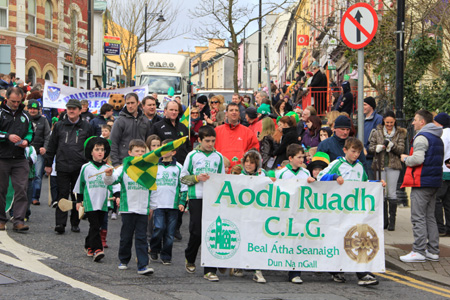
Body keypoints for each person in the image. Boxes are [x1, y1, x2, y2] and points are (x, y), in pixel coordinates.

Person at [318, 137, 382, 286]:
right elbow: (320, 176)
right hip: (338, 210)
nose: (356, 155)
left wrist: (376, 184)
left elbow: (364, 184)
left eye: (358, 152)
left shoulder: (360, 167)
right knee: (339, 238)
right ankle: (336, 270)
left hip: (354, 210)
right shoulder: (337, 164)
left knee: (358, 237)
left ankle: (362, 272)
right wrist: (334, 177)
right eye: (353, 151)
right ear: (345, 150)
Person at [181, 126, 225, 282]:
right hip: (196, 196)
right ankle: (190, 256)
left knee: (212, 232)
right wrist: (197, 178)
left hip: (213, 199)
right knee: (197, 231)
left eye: (213, 141)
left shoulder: (218, 157)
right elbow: (183, 178)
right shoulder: (192, 156)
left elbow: (222, 179)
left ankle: (210, 269)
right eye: (207, 141)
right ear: (199, 140)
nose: (210, 144)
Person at [104, 139, 154, 275]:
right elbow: (112, 180)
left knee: (141, 237)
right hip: (127, 207)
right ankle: (124, 259)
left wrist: (152, 207)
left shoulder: (149, 168)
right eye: (136, 151)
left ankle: (143, 265)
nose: (139, 154)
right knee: (126, 236)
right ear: (130, 152)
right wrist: (108, 175)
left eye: (142, 152)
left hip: (143, 208)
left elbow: (153, 189)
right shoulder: (123, 168)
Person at [400, 110, 444, 263]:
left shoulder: (422, 137)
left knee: (418, 217)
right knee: (429, 217)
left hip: (421, 181)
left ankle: (418, 251)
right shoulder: (437, 137)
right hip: (434, 182)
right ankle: (433, 251)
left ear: (422, 122)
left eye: (415, 120)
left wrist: (406, 159)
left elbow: (418, 159)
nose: (413, 123)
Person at [45, 99, 95, 234]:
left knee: (77, 196)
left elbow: (91, 147)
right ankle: (60, 224)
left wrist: (92, 166)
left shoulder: (86, 127)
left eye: (74, 108)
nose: (71, 111)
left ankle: (75, 223)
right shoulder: (59, 126)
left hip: (80, 167)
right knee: (62, 194)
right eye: (69, 108)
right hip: (62, 165)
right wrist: (48, 164)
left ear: (80, 110)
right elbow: (52, 146)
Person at [149, 139, 187, 265]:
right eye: (162, 148)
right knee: (158, 227)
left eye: (167, 149)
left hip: (173, 205)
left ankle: (166, 256)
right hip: (158, 204)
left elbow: (184, 186)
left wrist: (182, 202)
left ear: (174, 152)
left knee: (170, 233)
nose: (164, 151)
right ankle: (154, 248)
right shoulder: (155, 166)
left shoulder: (179, 168)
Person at [0, 87, 33, 232]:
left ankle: (19, 220)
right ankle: (1, 220)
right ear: (6, 98)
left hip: (20, 158)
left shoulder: (25, 115)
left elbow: (31, 132)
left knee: (21, 189)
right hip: (2, 157)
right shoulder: (0, 113)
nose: (15, 104)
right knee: (1, 190)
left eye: (18, 101)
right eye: (13, 101)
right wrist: (7, 136)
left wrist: (26, 141)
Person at [74, 137, 112, 262]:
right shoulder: (86, 167)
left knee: (97, 226)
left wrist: (115, 197)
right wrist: (79, 201)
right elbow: (80, 184)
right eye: (97, 149)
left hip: (103, 202)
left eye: (102, 149)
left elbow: (113, 184)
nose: (100, 152)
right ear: (91, 152)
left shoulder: (108, 168)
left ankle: (88, 245)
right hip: (90, 202)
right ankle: (97, 250)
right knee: (94, 225)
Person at [368, 111, 407, 231]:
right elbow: (370, 147)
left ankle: (392, 222)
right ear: (383, 121)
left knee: (392, 193)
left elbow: (401, 149)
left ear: (395, 121)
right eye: (387, 122)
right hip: (380, 166)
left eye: (391, 122)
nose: (389, 125)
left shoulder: (400, 133)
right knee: (382, 193)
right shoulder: (377, 131)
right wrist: (377, 148)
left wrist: (392, 146)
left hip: (394, 165)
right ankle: (384, 221)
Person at [110, 93, 152, 166]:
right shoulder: (120, 121)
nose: (130, 106)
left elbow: (148, 142)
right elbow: (113, 143)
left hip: (141, 161)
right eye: (128, 103)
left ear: (138, 103)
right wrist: (115, 163)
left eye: (132, 103)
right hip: (124, 162)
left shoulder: (145, 120)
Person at [215, 103, 260, 168]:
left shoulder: (248, 132)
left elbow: (254, 152)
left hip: (241, 171)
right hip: (221, 170)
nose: (234, 112)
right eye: (231, 110)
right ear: (226, 113)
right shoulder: (217, 131)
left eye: (236, 110)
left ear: (239, 113)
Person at [27, 99, 51, 206]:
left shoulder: (43, 120)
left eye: (35, 109)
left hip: (38, 152)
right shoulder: (24, 119)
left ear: (39, 110)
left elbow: (47, 136)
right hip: (26, 152)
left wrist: (45, 148)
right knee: (25, 175)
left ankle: (35, 197)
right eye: (31, 108)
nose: (32, 111)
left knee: (37, 175)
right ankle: (26, 196)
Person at [433, 113, 450, 236]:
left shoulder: (443, 134)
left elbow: (440, 150)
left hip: (443, 170)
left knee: (437, 199)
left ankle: (440, 227)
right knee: (448, 202)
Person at [362, 97, 383, 179]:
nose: (362, 107)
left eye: (365, 105)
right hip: (361, 156)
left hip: (370, 158)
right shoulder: (362, 119)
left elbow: (378, 138)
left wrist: (367, 149)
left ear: (371, 106)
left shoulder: (378, 119)